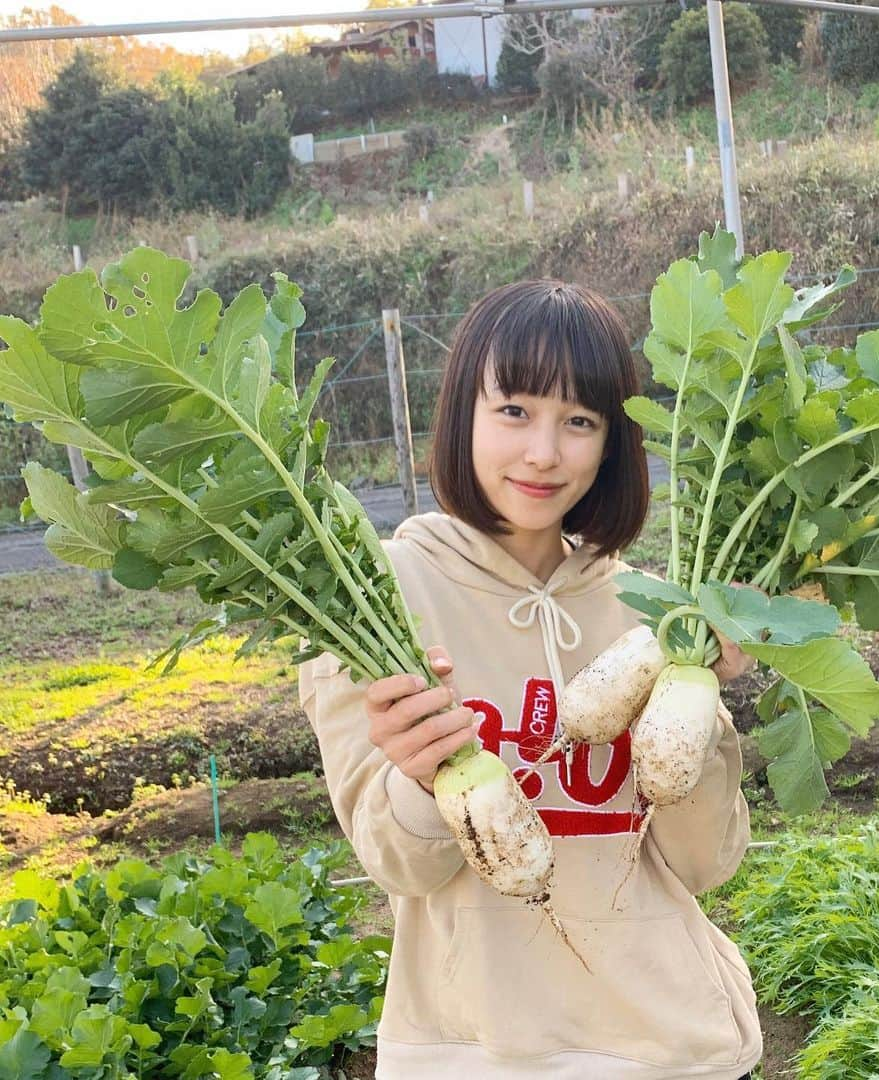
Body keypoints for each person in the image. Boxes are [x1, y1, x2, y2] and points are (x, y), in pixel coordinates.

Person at [299, 280, 764, 1079]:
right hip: (472, 1052)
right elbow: (397, 865)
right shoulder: (371, 602)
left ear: (613, 442)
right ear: (462, 417)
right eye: (514, 410)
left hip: (667, 1048)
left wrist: (700, 703)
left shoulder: (655, 609)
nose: (544, 453)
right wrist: (420, 774)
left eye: (579, 422)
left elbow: (703, 865)